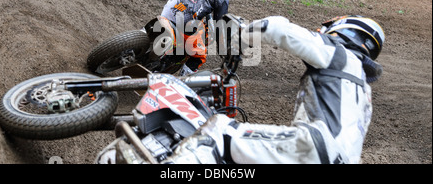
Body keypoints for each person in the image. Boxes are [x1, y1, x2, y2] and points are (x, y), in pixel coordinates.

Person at [161, 15, 385, 164]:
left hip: (316, 145)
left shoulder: (338, 53)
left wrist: (241, 39)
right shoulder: (362, 88)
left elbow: (277, 29)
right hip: (340, 159)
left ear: (343, 31)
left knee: (218, 131)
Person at [160, 0, 244, 76]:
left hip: (167, 11)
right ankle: (183, 82)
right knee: (200, 55)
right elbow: (219, 23)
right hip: (183, 25)